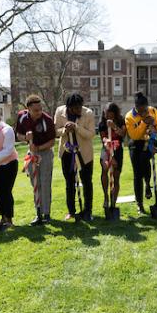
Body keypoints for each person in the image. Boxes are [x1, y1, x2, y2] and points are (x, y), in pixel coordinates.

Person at [16, 94, 56, 225]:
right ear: (28, 109)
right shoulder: (22, 117)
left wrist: (38, 147)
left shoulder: (47, 120)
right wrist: (26, 138)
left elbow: (52, 142)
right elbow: (18, 135)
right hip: (31, 153)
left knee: (45, 183)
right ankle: (38, 213)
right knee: (35, 184)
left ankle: (47, 214)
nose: (39, 112)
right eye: (36, 110)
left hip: (45, 153)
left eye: (40, 109)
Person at [55, 93, 95, 221]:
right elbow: (55, 130)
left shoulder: (88, 113)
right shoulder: (59, 111)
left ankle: (87, 211)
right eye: (75, 108)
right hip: (67, 152)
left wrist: (76, 127)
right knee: (69, 182)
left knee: (87, 182)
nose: (79, 110)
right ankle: (71, 211)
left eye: (80, 107)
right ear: (69, 107)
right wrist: (65, 130)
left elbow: (91, 134)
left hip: (84, 153)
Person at [125, 91, 157, 214]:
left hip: (150, 142)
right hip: (135, 144)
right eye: (141, 111)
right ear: (136, 107)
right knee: (137, 174)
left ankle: (147, 184)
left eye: (145, 110)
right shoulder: (129, 116)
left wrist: (155, 126)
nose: (143, 113)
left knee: (145, 161)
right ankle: (139, 204)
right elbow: (134, 135)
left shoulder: (153, 111)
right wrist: (144, 123)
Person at [98, 103, 126, 208]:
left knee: (116, 176)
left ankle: (114, 201)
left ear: (115, 114)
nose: (108, 116)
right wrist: (107, 144)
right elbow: (103, 138)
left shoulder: (121, 121)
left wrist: (114, 127)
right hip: (106, 150)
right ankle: (106, 197)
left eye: (110, 114)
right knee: (105, 170)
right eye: (106, 113)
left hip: (118, 150)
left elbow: (123, 134)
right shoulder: (102, 124)